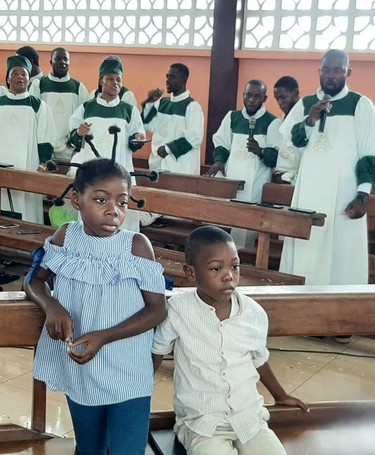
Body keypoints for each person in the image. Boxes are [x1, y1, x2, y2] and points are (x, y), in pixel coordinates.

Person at [24, 158, 167, 455]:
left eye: (123, 203)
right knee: (90, 448)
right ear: (77, 200)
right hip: (81, 365)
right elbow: (34, 281)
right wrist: (52, 306)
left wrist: (104, 336)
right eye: (101, 200)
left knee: (127, 450)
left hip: (127, 367)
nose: (113, 210)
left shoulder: (136, 245)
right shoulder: (66, 236)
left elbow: (157, 310)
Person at [152, 225, 308, 455]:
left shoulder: (252, 312)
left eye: (234, 266)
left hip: (249, 418)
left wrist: (281, 395)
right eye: (216, 269)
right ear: (191, 273)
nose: (229, 276)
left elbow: (259, 359)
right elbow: (156, 353)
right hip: (202, 423)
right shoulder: (178, 310)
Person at [279, 49, 375, 342]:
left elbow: (369, 153)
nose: (330, 75)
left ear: (348, 73)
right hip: (309, 193)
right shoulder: (306, 104)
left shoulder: (361, 105)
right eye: (325, 70)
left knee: (343, 256)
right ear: (318, 72)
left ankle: (341, 321)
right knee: (308, 253)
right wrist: (309, 120)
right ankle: (302, 317)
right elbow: (290, 147)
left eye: (337, 70)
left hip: (344, 197)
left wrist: (363, 195)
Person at [69, 57, 146, 232]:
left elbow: (135, 140)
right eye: (110, 78)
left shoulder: (129, 110)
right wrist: (79, 133)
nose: (115, 83)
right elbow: (73, 138)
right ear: (100, 80)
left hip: (120, 172)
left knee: (120, 219)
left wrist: (138, 139)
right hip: (92, 174)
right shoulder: (87, 107)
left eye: (118, 79)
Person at [206, 79, 282, 247]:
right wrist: (219, 160)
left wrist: (261, 152)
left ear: (265, 98)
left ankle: (243, 259)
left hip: (256, 184)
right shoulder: (232, 117)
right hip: (231, 179)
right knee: (224, 224)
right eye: (248, 95)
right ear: (243, 95)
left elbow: (279, 156)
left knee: (245, 230)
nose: (252, 99)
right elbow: (221, 143)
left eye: (257, 96)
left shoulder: (273, 122)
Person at [0, 55, 55, 223]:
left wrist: (43, 164)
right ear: (7, 78)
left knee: (27, 211)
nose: (20, 77)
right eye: (15, 73)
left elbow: (46, 137)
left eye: (24, 74)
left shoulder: (38, 105)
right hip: (2, 165)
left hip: (29, 166)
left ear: (29, 79)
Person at [141, 62, 204, 175]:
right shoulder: (161, 103)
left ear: (184, 78)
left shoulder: (192, 106)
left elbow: (194, 138)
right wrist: (150, 102)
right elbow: (145, 124)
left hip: (181, 167)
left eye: (172, 77)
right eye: (167, 77)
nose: (167, 81)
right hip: (158, 164)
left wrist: (167, 149)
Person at [29, 47, 90, 161]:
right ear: (51, 62)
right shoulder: (40, 85)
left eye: (65, 59)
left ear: (69, 62)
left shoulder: (78, 87)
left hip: (70, 150)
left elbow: (84, 118)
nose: (62, 62)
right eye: (58, 59)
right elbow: (33, 116)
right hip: (44, 148)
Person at [273, 76, 301, 184]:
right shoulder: (279, 122)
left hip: (299, 179)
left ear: (295, 93)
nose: (279, 103)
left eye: (283, 97)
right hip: (282, 180)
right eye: (277, 99)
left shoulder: (308, 117)